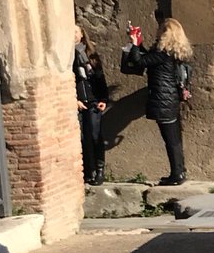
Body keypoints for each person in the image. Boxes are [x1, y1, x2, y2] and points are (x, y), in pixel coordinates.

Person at [121, 17, 192, 186]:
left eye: (160, 29)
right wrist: (137, 42)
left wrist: (135, 44)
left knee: (171, 139)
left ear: (166, 33)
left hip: (162, 100)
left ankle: (177, 174)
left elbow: (140, 61)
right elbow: (148, 58)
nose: (157, 32)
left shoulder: (163, 54)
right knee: (174, 138)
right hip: (170, 99)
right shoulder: (171, 53)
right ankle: (179, 171)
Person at [74, 25, 109, 185]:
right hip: (79, 101)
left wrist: (103, 99)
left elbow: (100, 78)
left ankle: (100, 170)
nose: (73, 34)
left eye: (76, 31)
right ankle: (89, 171)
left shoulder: (91, 55)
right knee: (83, 138)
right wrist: (74, 99)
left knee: (95, 136)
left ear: (82, 35)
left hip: (94, 101)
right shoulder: (68, 56)